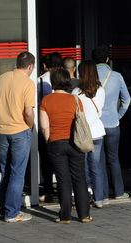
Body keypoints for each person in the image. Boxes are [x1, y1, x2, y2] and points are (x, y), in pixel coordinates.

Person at [40, 68, 92, 224]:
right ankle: (84, 215)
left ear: (53, 82)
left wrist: (50, 139)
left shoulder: (46, 100)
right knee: (79, 178)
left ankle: (65, 216)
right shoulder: (75, 100)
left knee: (63, 179)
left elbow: (44, 126)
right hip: (75, 144)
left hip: (56, 143)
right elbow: (81, 122)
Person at [0, 51, 35, 223]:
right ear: (30, 66)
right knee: (17, 173)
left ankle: (4, 210)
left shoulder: (2, 78)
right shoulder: (28, 83)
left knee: (4, 171)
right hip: (19, 131)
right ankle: (12, 212)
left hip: (1, 131)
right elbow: (28, 111)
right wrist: (30, 126)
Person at [92, 46, 131, 200]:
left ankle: (102, 195)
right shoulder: (116, 76)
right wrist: (118, 116)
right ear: (108, 59)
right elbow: (126, 100)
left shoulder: (89, 75)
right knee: (114, 158)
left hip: (95, 125)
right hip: (112, 124)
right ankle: (119, 192)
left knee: (99, 161)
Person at [72, 60, 106, 208]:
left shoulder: (76, 93)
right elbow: (101, 108)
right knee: (96, 167)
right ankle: (99, 199)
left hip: (83, 134)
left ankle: (85, 196)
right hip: (98, 132)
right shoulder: (101, 90)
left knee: (83, 168)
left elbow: (76, 113)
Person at [37, 52, 63, 202]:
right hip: (61, 124)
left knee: (46, 159)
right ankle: (62, 189)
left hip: (45, 124)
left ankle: (48, 189)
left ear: (45, 66)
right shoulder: (65, 79)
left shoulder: (39, 81)